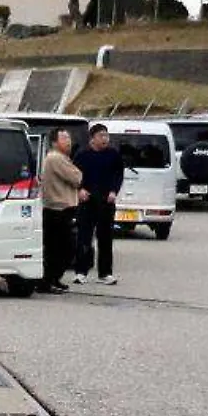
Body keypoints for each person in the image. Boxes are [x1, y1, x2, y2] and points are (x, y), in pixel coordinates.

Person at [73, 123, 125, 285]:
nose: (105, 139)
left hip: (106, 201)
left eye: (106, 136)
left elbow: (118, 174)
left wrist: (113, 191)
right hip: (87, 201)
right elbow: (74, 175)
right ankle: (81, 272)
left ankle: (105, 273)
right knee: (84, 237)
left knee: (105, 237)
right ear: (93, 138)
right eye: (101, 136)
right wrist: (79, 189)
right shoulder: (82, 155)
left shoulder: (113, 155)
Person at [38, 130, 84, 293]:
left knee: (59, 248)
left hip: (60, 209)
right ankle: (47, 280)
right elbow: (77, 177)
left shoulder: (60, 158)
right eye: (64, 138)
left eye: (69, 138)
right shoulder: (56, 158)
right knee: (62, 248)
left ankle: (53, 278)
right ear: (54, 142)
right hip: (58, 210)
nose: (69, 141)